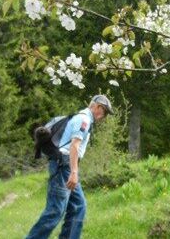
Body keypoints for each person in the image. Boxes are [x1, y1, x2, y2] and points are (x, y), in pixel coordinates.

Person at [26, 94, 114, 239]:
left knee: (78, 206)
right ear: (98, 107)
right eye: (104, 113)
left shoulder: (81, 118)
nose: (104, 117)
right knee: (55, 211)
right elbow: (74, 146)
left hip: (65, 165)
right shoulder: (84, 120)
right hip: (64, 167)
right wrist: (74, 172)